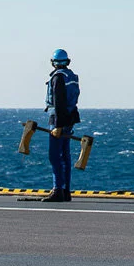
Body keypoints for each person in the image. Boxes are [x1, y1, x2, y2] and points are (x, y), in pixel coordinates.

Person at [43, 48, 80, 202]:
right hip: (70, 119)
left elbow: (59, 102)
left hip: (58, 121)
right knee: (65, 156)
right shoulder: (71, 77)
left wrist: (58, 125)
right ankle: (65, 191)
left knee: (55, 156)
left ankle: (58, 189)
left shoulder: (58, 78)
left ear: (53, 62)